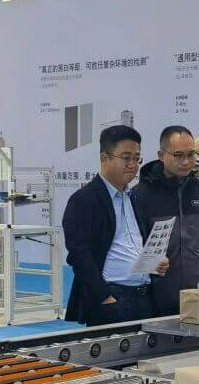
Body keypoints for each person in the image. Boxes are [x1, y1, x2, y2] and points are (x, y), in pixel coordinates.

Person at [62, 126, 167, 325]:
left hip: (145, 298)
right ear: (104, 158)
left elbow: (133, 245)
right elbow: (78, 254)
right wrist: (104, 297)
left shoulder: (134, 197)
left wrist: (154, 262)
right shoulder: (85, 199)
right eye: (126, 158)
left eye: (137, 158)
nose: (132, 165)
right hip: (113, 299)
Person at [132, 126, 199, 316]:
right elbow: (135, 245)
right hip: (157, 298)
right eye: (178, 155)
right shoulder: (141, 194)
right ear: (161, 155)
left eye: (191, 154)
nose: (186, 161)